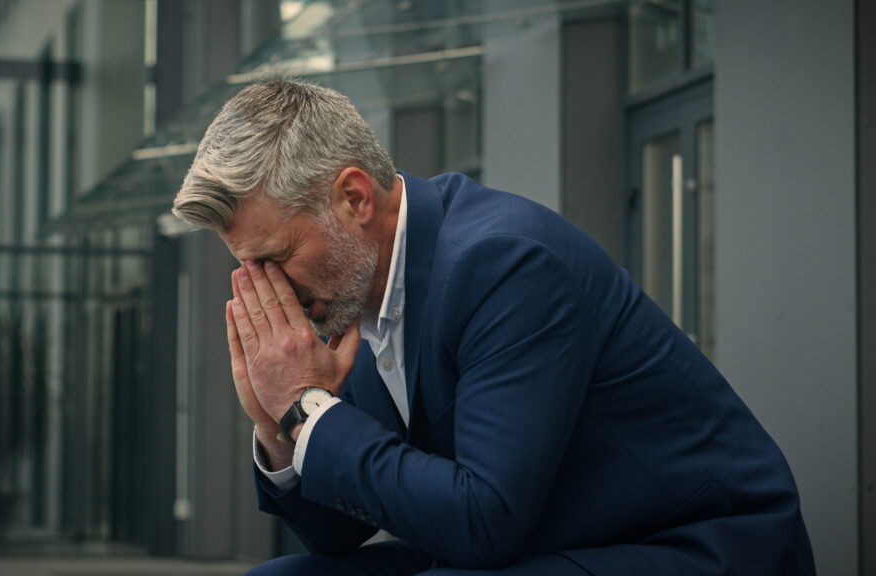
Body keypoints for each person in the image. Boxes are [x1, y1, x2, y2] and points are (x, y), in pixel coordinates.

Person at [171, 78, 816, 575]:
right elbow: (338, 533)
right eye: (247, 267)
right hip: (545, 542)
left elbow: (486, 520)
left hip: (692, 546)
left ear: (355, 198)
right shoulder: (356, 289)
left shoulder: (503, 264)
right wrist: (279, 426)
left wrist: (310, 409)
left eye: (276, 257)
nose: (268, 289)